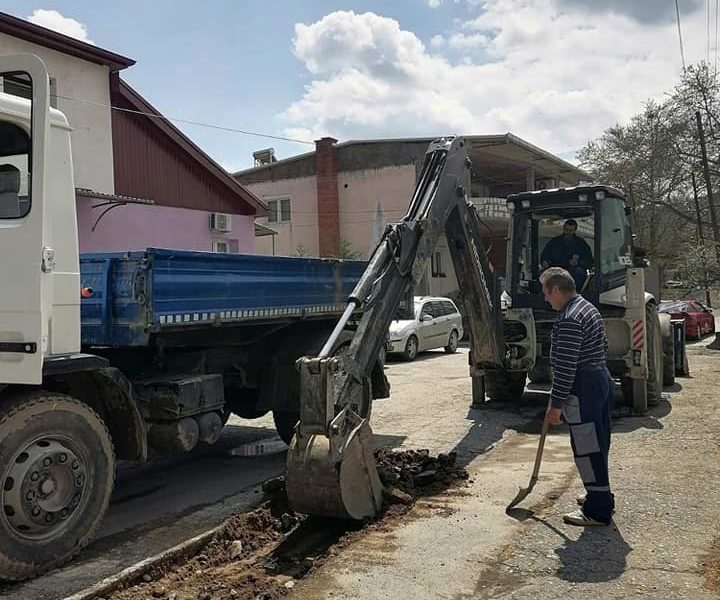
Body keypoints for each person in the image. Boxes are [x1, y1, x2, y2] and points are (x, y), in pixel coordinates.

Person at [540, 267, 614, 526]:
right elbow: (603, 346)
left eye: (546, 292)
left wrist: (556, 404)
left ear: (556, 290)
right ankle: (599, 493)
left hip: (584, 386)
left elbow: (566, 366)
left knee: (587, 447)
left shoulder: (570, 318)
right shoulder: (587, 307)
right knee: (598, 441)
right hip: (600, 378)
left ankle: (598, 510)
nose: (545, 298)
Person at [540, 219, 593, 291]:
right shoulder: (555, 242)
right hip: (556, 268)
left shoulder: (581, 244)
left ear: (575, 231)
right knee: (541, 273)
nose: (568, 232)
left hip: (572, 270)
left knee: (578, 272)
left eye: (570, 230)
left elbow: (589, 261)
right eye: (566, 229)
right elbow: (545, 254)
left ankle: (575, 293)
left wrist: (578, 262)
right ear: (563, 229)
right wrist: (544, 261)